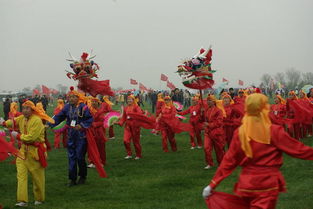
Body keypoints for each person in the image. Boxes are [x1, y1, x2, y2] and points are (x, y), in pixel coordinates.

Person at [202, 93, 313, 209]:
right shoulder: (273, 131)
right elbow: (299, 150)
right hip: (267, 185)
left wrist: (212, 184)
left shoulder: (240, 132)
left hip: (246, 185)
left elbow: (229, 161)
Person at [0, 100, 54, 207]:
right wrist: (3, 123)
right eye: (23, 108)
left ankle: (39, 199)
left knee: (37, 177)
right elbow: (13, 121)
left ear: (32, 110)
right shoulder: (22, 118)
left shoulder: (37, 121)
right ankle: (22, 200)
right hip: (23, 151)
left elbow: (31, 137)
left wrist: (18, 136)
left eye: (27, 108)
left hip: (35, 152)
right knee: (21, 176)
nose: (24, 110)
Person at [49, 87, 93, 186]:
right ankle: (72, 179)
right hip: (71, 135)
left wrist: (81, 125)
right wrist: (50, 123)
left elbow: (89, 120)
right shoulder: (67, 107)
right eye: (70, 97)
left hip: (81, 136)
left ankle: (82, 176)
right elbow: (58, 116)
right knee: (71, 157)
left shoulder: (83, 107)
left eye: (74, 97)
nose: (71, 99)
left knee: (80, 157)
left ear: (78, 98)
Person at [117, 95, 144, 159]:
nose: (129, 100)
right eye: (128, 99)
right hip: (128, 127)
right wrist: (119, 123)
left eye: (130, 99)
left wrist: (132, 117)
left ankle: (138, 155)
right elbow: (123, 118)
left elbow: (139, 115)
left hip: (135, 127)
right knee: (125, 141)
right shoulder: (126, 108)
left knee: (136, 142)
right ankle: (129, 154)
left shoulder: (136, 107)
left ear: (133, 100)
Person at [203, 95, 225, 169]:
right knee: (206, 148)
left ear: (214, 101)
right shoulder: (206, 110)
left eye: (210, 100)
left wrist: (209, 124)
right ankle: (209, 163)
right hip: (208, 132)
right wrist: (201, 113)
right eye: (207, 100)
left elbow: (219, 122)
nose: (208, 102)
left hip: (217, 133)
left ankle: (221, 163)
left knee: (219, 149)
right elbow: (203, 120)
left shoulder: (219, 110)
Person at [88, 97, 107, 168]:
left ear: (98, 103)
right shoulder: (89, 111)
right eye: (92, 101)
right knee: (91, 147)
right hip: (90, 131)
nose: (93, 103)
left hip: (99, 132)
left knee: (100, 147)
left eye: (95, 102)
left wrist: (94, 124)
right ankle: (92, 161)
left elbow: (102, 122)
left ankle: (102, 161)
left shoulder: (100, 111)